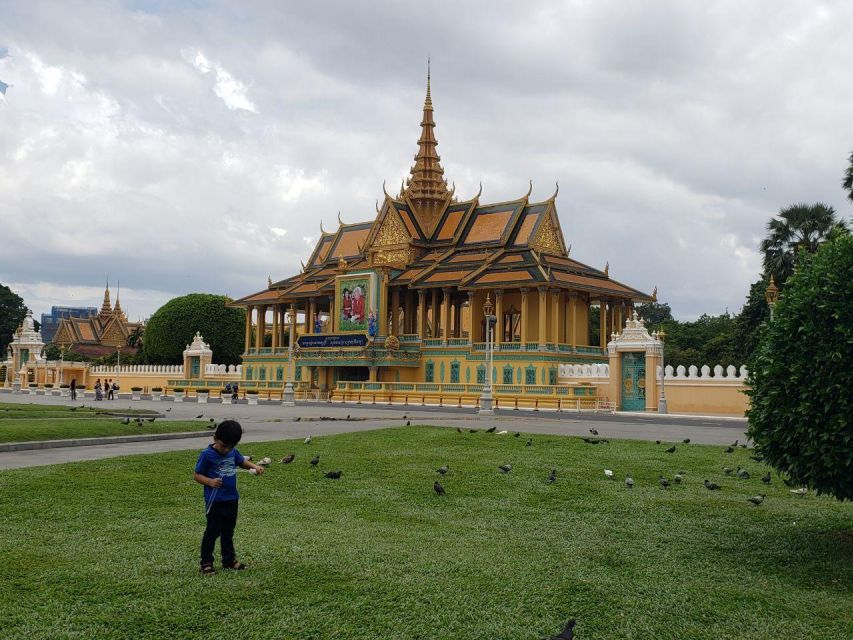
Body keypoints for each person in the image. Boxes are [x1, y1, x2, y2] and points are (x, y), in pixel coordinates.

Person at [193, 420, 264, 575]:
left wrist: (254, 466)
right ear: (215, 438)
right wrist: (210, 482)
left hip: (232, 499)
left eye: (230, 447)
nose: (226, 450)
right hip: (215, 501)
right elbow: (197, 475)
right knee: (212, 532)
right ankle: (206, 562)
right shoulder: (207, 455)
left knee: (228, 531)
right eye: (223, 446)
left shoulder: (232, 451)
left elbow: (241, 461)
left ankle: (229, 561)